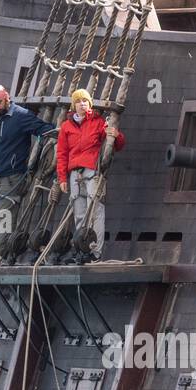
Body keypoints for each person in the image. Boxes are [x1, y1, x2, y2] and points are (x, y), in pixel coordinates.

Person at [0, 85, 56, 266]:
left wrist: (66, 131)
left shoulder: (21, 116)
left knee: (5, 214)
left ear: (7, 98)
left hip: (12, 177)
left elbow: (44, 129)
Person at [57, 89, 125, 263]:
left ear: (90, 104)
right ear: (74, 105)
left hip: (91, 170)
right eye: (79, 101)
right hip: (74, 173)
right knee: (79, 213)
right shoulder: (66, 126)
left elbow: (114, 144)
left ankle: (95, 252)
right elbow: (62, 153)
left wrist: (117, 136)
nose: (82, 104)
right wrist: (62, 178)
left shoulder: (98, 122)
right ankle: (82, 249)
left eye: (85, 101)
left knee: (95, 211)